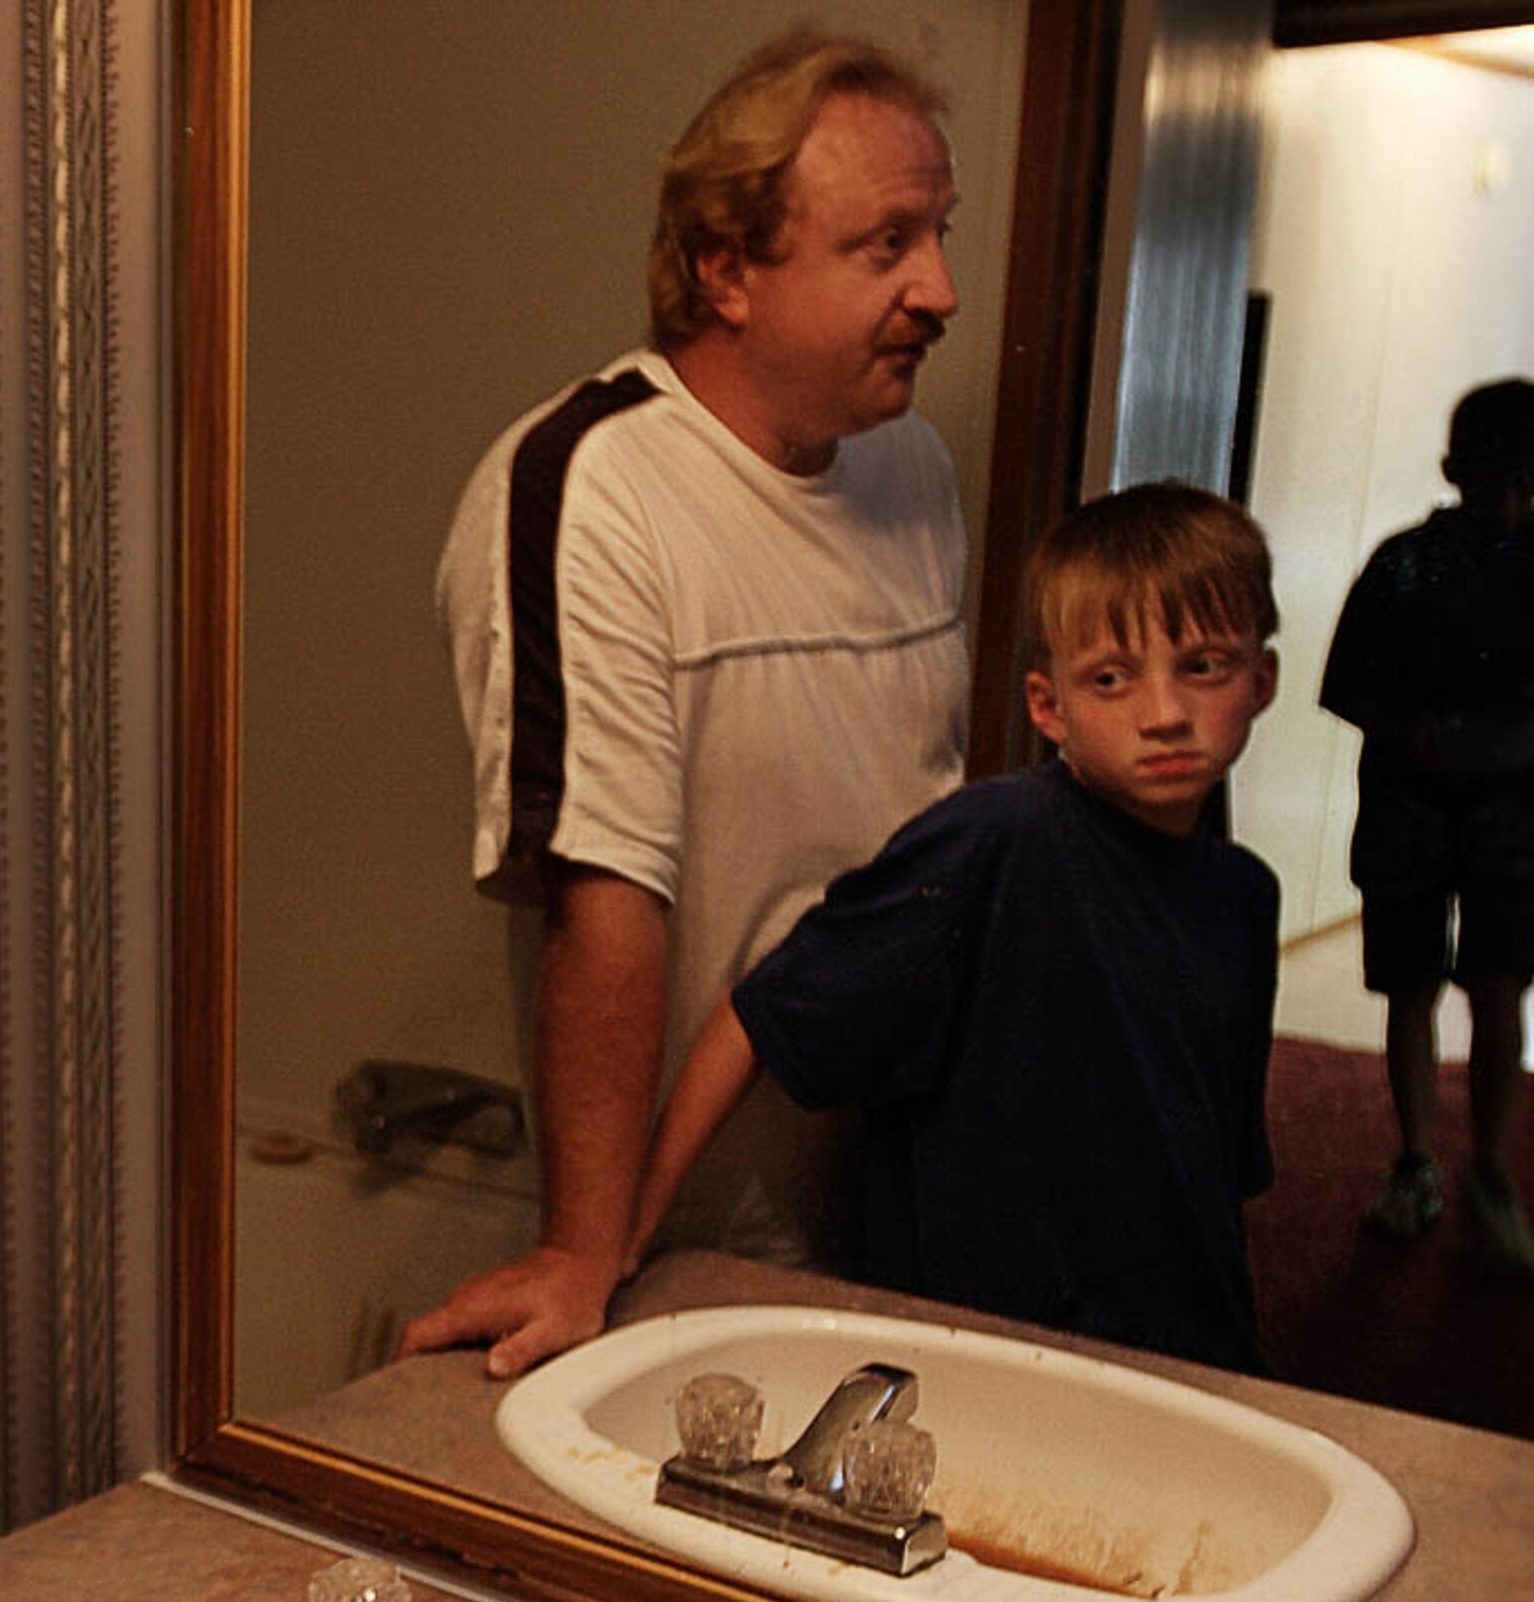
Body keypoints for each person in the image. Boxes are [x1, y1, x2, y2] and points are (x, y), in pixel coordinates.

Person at [406, 31, 968, 1379]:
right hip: (694, 1239)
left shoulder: (915, 468)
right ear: (726, 267)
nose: (942, 290)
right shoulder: (591, 487)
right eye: (886, 244)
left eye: (943, 234)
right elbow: (607, 877)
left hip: (907, 1203)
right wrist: (586, 1251)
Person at [626, 483, 1283, 1372]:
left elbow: (1217, 1166)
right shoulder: (999, 841)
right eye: (1111, 679)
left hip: (1187, 1354)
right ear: (1048, 708)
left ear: (1261, 680)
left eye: (1203, 666)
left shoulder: (1243, 894)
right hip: (988, 1360)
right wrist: (611, 1247)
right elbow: (764, 1013)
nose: (1164, 713)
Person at [1318, 377, 1534, 1272]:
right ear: (1456, 471)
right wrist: (1425, 738)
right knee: (1415, 987)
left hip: (1511, 814)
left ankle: (1485, 1168)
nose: (1510, 501)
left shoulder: (1416, 561)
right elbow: (1350, 686)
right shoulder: (1403, 564)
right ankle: (1419, 1160)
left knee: (1496, 988)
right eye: (1495, 480)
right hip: (1417, 804)